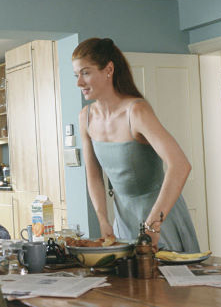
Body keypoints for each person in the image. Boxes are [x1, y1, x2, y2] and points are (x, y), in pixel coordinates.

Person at [73, 38, 200, 252]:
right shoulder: (85, 117)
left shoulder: (136, 111)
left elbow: (180, 165)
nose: (79, 83)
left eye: (85, 73)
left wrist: (154, 225)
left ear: (109, 69)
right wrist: (103, 220)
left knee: (168, 283)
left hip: (160, 218)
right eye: (76, 75)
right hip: (123, 221)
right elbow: (94, 176)